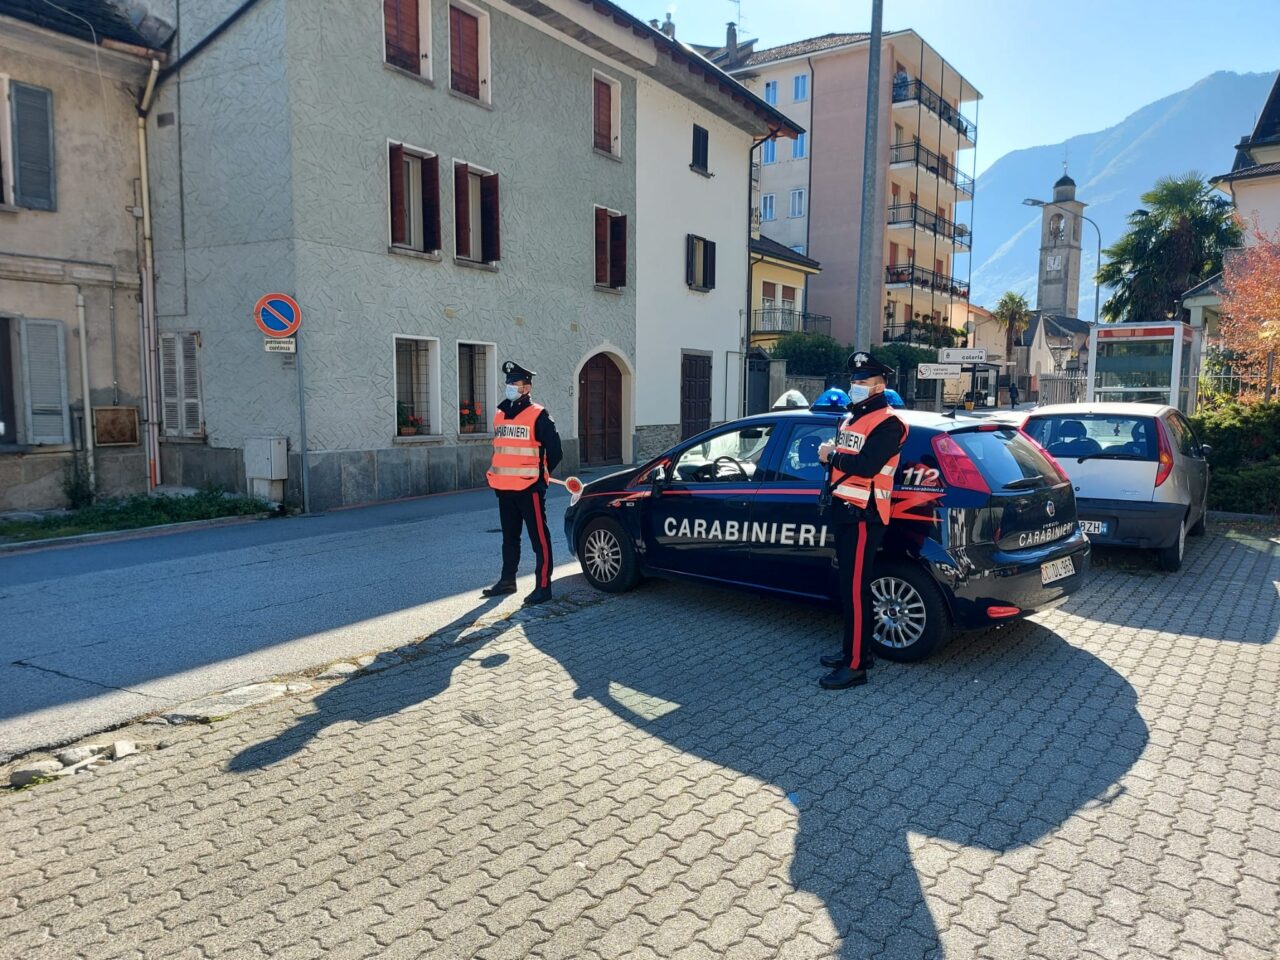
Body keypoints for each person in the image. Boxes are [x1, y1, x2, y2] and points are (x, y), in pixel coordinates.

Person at [816, 352, 908, 690]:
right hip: (845, 510)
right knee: (851, 589)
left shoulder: (889, 422)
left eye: (862, 381)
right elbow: (845, 460)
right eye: (853, 380)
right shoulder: (852, 417)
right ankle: (855, 653)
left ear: (879, 385)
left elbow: (867, 465)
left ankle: (855, 667)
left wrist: (831, 455)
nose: (855, 386)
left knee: (855, 592)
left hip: (865, 515)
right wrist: (828, 454)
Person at [482, 361, 563, 605]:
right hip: (504, 487)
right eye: (508, 383)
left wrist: (541, 476)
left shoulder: (539, 414)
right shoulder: (499, 414)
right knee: (509, 537)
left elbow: (556, 451)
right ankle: (507, 580)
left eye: (515, 384)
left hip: (530, 488)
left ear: (526, 387)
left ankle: (544, 586)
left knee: (539, 538)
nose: (510, 387)